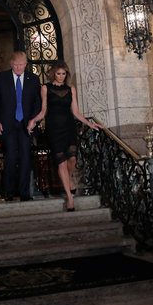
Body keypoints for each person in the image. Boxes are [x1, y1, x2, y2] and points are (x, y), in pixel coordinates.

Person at [27, 61, 101, 211]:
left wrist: (89, 124)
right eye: (58, 73)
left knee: (72, 159)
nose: (61, 76)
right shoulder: (45, 88)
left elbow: (75, 112)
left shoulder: (70, 89)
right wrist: (33, 121)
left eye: (63, 74)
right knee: (61, 162)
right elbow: (43, 111)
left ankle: (69, 179)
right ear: (53, 73)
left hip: (69, 127)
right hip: (54, 129)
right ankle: (70, 197)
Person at [0, 51, 42, 202]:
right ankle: (9, 192)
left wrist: (33, 120)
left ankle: (25, 193)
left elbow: (37, 103)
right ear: (11, 64)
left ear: (26, 64)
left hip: (27, 126)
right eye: (16, 65)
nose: (19, 67)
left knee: (26, 158)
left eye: (22, 65)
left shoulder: (33, 79)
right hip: (8, 125)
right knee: (11, 158)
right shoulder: (1, 78)